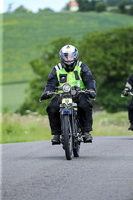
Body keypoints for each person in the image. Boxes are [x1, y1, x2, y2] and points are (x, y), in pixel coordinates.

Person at [40, 44, 96, 143]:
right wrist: (47, 92)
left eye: (71, 56)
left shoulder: (82, 66)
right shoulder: (57, 69)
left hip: (79, 93)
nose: (68, 58)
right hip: (62, 95)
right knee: (52, 107)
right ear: (61, 56)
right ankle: (56, 134)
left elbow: (89, 79)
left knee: (85, 105)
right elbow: (50, 83)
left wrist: (91, 89)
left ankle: (86, 132)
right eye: (66, 56)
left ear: (76, 56)